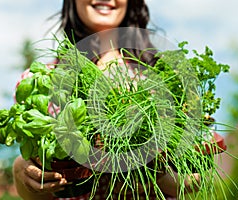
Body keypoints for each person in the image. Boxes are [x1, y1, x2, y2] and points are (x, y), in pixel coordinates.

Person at [12, 0, 200, 199]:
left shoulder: (165, 78)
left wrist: (159, 178)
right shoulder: (41, 82)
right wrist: (20, 170)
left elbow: (198, 175)